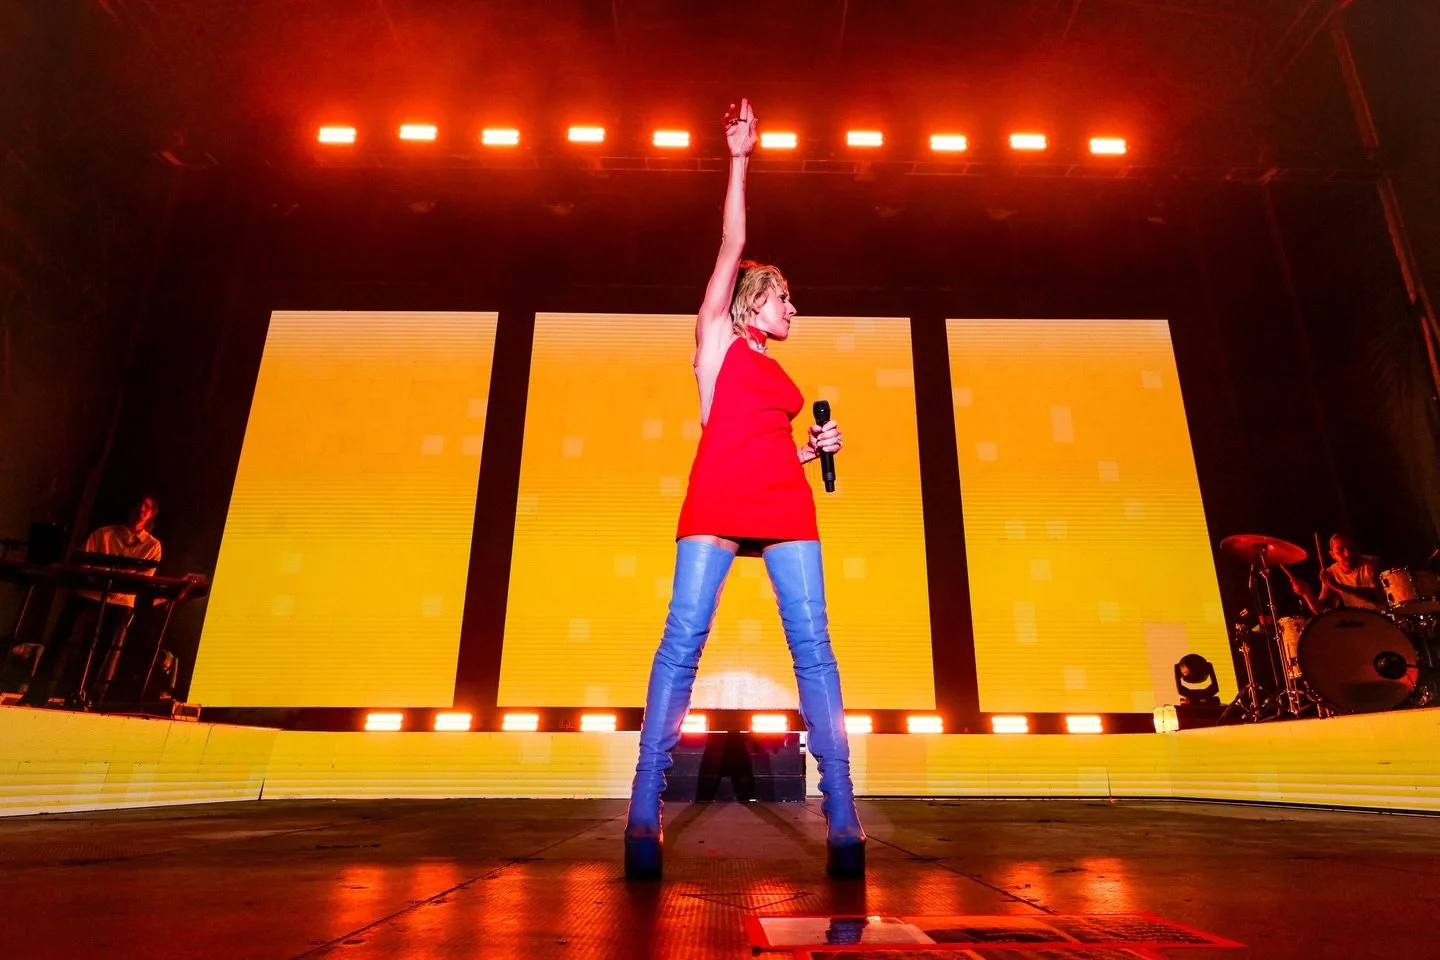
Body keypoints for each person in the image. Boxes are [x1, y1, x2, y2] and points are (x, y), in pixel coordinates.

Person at [623, 98, 864, 881]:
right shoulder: (717, 338)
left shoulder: (771, 363)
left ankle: (843, 814)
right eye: (786, 299)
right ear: (752, 301)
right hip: (717, 501)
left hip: (783, 500)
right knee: (682, 640)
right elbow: (731, 241)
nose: (795, 309)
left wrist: (808, 450)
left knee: (815, 648)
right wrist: (739, 157)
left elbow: (763, 447)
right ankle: (644, 809)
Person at [26, 496, 163, 705]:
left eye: (147, 507)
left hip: (120, 601)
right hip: (89, 594)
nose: (141, 510)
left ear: (152, 514)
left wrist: (109, 575)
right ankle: (36, 695)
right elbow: (83, 561)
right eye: (139, 504)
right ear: (131, 508)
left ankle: (86, 697)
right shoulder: (104, 533)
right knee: (61, 640)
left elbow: (143, 578)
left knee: (103, 650)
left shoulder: (153, 546)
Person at [1284, 533, 1385, 614]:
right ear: (1332, 555)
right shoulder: (1331, 573)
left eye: (1351, 548)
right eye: (1340, 550)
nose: (1347, 554)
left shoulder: (1372, 564)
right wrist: (1306, 594)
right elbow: (1323, 611)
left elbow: (1377, 597)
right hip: (1359, 623)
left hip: (1382, 618)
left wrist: (1338, 587)